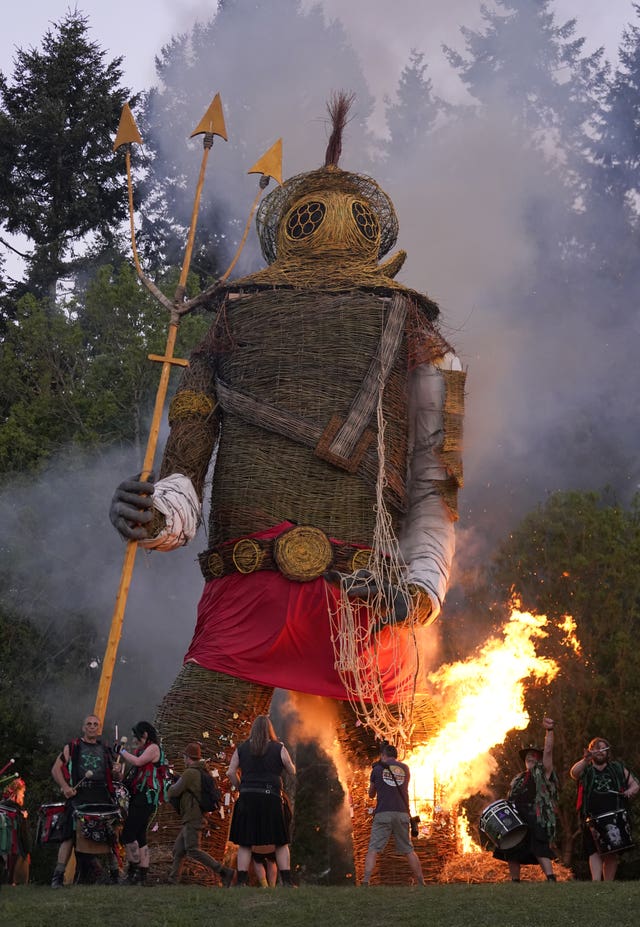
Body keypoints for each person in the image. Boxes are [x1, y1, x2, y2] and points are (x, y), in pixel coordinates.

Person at [50, 714, 120, 888]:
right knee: (69, 836)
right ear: (83, 727)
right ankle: (57, 877)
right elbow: (55, 769)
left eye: (95, 724)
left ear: (99, 728)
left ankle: (115, 875)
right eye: (88, 724)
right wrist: (66, 787)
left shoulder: (105, 748)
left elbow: (116, 775)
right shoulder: (73, 746)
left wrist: (118, 771)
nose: (92, 727)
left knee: (110, 835)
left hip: (101, 795)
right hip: (79, 795)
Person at [227, 715, 296, 887]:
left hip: (247, 797)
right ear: (269, 729)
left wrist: (240, 786)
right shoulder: (278, 748)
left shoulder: (242, 748)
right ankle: (287, 882)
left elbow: (230, 772)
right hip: (271, 797)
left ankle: (241, 882)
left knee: (245, 843)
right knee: (280, 842)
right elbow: (291, 769)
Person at [492, 717, 559, 882]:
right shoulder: (518, 779)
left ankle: (551, 878)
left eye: (534, 755)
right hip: (517, 815)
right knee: (511, 846)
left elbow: (549, 751)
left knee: (540, 846)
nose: (530, 757)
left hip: (535, 814)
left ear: (539, 759)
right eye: (528, 756)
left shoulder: (544, 772)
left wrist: (549, 731)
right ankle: (515, 881)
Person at [570, 736, 640, 881]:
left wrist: (629, 792)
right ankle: (596, 883)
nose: (600, 751)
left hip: (614, 814)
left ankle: (608, 883)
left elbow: (635, 785)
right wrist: (585, 760)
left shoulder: (617, 768)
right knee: (594, 851)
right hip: (592, 816)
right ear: (591, 752)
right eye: (596, 749)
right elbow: (573, 773)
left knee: (612, 851)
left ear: (608, 752)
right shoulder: (586, 769)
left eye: (603, 748)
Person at [167, 742, 235, 887]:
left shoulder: (190, 773)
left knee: (193, 850)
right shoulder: (203, 772)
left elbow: (174, 792)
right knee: (178, 850)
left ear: (188, 757)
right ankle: (173, 881)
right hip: (196, 816)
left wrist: (169, 786)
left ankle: (224, 871)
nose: (184, 760)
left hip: (193, 816)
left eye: (184, 757)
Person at [362, 743, 425, 886]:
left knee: (373, 848)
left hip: (383, 813)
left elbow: (371, 794)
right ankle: (422, 881)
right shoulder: (405, 769)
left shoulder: (377, 769)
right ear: (395, 756)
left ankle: (365, 881)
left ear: (383, 755)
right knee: (409, 850)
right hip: (402, 813)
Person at [116, 721, 167, 884]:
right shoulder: (142, 750)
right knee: (140, 835)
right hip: (139, 795)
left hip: (146, 796)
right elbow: (135, 768)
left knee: (128, 834)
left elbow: (138, 762)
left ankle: (134, 867)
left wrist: (122, 751)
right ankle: (142, 875)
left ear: (144, 734)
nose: (135, 739)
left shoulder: (153, 748)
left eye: (136, 735)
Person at [0, 778, 31, 886]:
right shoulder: (18, 813)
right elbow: (23, 837)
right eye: (22, 793)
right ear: (16, 793)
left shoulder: (1, 807)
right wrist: (24, 819)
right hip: (13, 849)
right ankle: (15, 881)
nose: (23, 796)